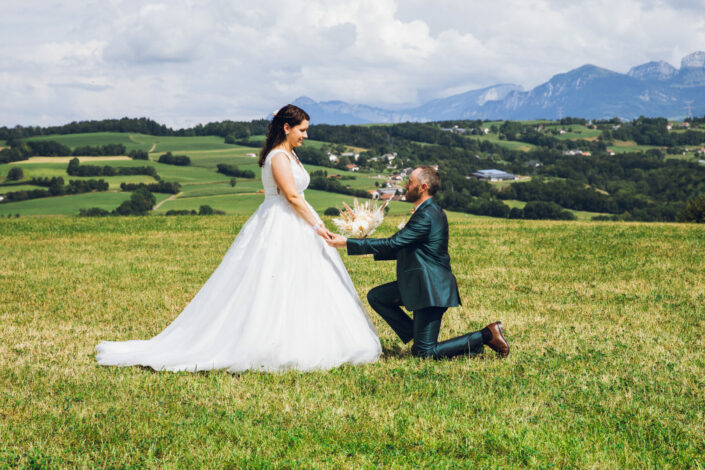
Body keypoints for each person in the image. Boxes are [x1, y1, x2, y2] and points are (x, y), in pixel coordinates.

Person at [96, 104, 381, 372]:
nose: (305, 135)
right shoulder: (278, 157)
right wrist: (318, 226)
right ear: (286, 128)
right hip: (282, 222)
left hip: (297, 220)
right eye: (302, 130)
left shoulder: (291, 154)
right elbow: (292, 196)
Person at [327, 166, 510, 359]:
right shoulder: (427, 211)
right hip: (420, 284)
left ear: (422, 187)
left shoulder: (426, 215)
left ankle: (487, 335)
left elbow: (394, 242)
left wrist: (347, 242)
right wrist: (366, 246)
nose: (406, 185)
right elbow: (405, 247)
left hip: (430, 289)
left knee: (425, 354)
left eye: (410, 182)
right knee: (377, 297)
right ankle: (424, 338)